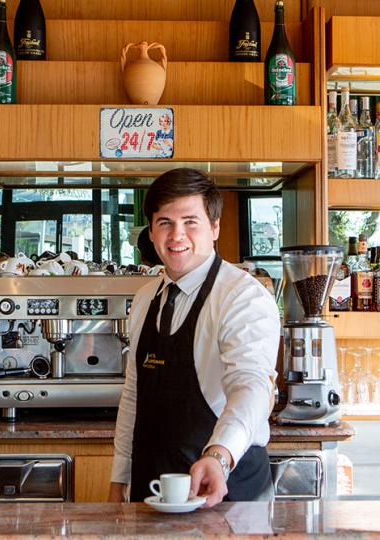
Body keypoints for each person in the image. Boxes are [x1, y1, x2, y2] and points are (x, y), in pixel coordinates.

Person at [109, 168, 280, 508]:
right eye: (165, 223)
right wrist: (120, 478)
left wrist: (218, 457)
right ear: (152, 233)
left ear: (214, 228)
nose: (177, 235)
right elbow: (134, 395)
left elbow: (252, 385)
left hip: (227, 493)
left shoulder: (242, 296)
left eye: (190, 221)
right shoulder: (145, 299)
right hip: (155, 492)